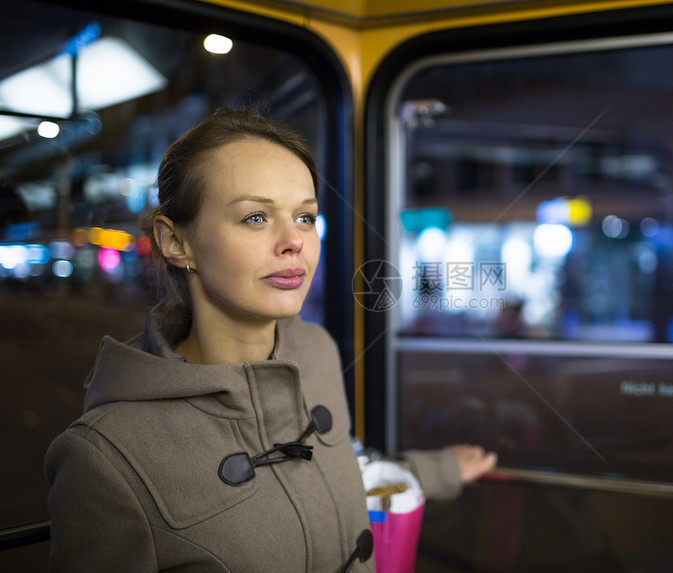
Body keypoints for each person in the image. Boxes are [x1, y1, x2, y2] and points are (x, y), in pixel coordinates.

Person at [44, 109, 496, 572]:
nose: (293, 241)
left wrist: (439, 472)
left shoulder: (315, 351)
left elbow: (333, 477)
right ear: (176, 242)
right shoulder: (103, 458)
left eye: (305, 217)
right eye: (256, 217)